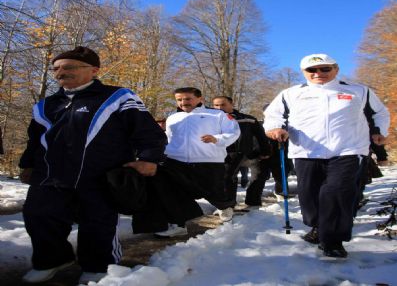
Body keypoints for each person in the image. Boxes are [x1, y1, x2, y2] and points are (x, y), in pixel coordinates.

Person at [18, 46, 167, 284]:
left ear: (94, 70)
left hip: (100, 175)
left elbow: (147, 130)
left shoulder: (118, 97)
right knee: (38, 215)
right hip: (50, 175)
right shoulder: (45, 105)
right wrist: (27, 165)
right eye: (56, 68)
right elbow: (35, 140)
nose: (60, 73)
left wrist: (149, 158)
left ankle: (99, 266)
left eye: (68, 67)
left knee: (97, 221)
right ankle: (52, 259)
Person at [264, 53, 390, 259]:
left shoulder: (358, 91)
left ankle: (332, 241)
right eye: (312, 70)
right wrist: (275, 128)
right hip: (306, 151)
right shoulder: (290, 94)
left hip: (348, 150)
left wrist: (379, 130)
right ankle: (318, 226)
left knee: (337, 192)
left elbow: (380, 113)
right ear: (304, 72)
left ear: (336, 69)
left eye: (325, 69)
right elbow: (272, 115)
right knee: (310, 195)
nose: (318, 73)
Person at [156, 87, 240, 237]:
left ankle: (225, 206)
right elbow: (169, 138)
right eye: (179, 99)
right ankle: (178, 224)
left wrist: (217, 139)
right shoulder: (173, 117)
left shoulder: (217, 114)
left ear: (200, 99)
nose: (183, 102)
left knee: (214, 192)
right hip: (176, 161)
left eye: (188, 99)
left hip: (208, 161)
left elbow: (233, 132)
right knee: (173, 193)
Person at [212, 96, 271, 207]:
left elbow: (260, 136)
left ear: (231, 104)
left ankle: (253, 201)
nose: (219, 108)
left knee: (260, 175)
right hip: (227, 155)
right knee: (228, 178)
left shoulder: (248, 119)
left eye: (223, 104)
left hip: (249, 153)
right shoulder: (210, 120)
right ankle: (229, 205)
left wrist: (265, 151)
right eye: (216, 105)